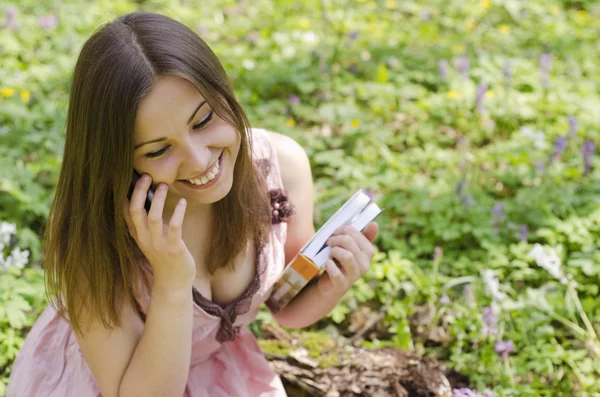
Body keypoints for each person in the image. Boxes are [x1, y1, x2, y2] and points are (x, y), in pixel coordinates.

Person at [7, 11, 378, 397]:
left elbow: (284, 305)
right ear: (120, 160)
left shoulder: (281, 169)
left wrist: (333, 283)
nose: (200, 161)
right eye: (159, 150)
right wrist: (170, 281)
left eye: (203, 121)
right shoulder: (97, 233)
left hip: (215, 374)